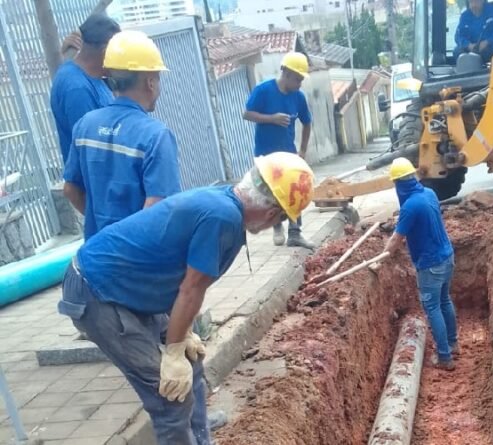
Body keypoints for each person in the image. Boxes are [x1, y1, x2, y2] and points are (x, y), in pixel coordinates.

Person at [57, 152, 315, 445]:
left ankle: (199, 432)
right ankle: (183, 434)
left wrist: (182, 339)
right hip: (98, 291)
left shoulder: (225, 201)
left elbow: (176, 270)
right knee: (169, 396)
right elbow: (191, 289)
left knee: (189, 363)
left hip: (128, 284)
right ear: (272, 214)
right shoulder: (223, 217)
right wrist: (174, 348)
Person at [63, 30, 181, 240]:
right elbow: (157, 211)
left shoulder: (85, 125)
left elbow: (71, 189)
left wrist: (104, 231)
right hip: (137, 262)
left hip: (97, 254)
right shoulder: (155, 136)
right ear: (150, 82)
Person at [383, 158, 459, 371]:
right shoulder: (430, 194)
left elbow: (396, 239)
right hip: (447, 256)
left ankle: (444, 357)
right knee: (444, 300)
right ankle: (453, 343)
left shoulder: (409, 206)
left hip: (430, 264)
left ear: (398, 183)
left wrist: (384, 256)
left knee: (433, 307)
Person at [243, 52, 315, 250]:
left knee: (295, 190)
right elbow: (247, 114)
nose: (300, 83)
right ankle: (276, 226)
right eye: (298, 79)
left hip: (288, 154)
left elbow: (307, 123)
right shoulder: (263, 91)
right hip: (266, 154)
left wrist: (302, 150)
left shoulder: (298, 97)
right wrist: (271, 118)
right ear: (286, 73)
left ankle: (295, 233)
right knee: (270, 191)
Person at [50, 13, 120, 164]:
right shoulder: (77, 89)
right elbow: (92, 151)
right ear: (105, 51)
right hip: (94, 183)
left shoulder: (91, 77)